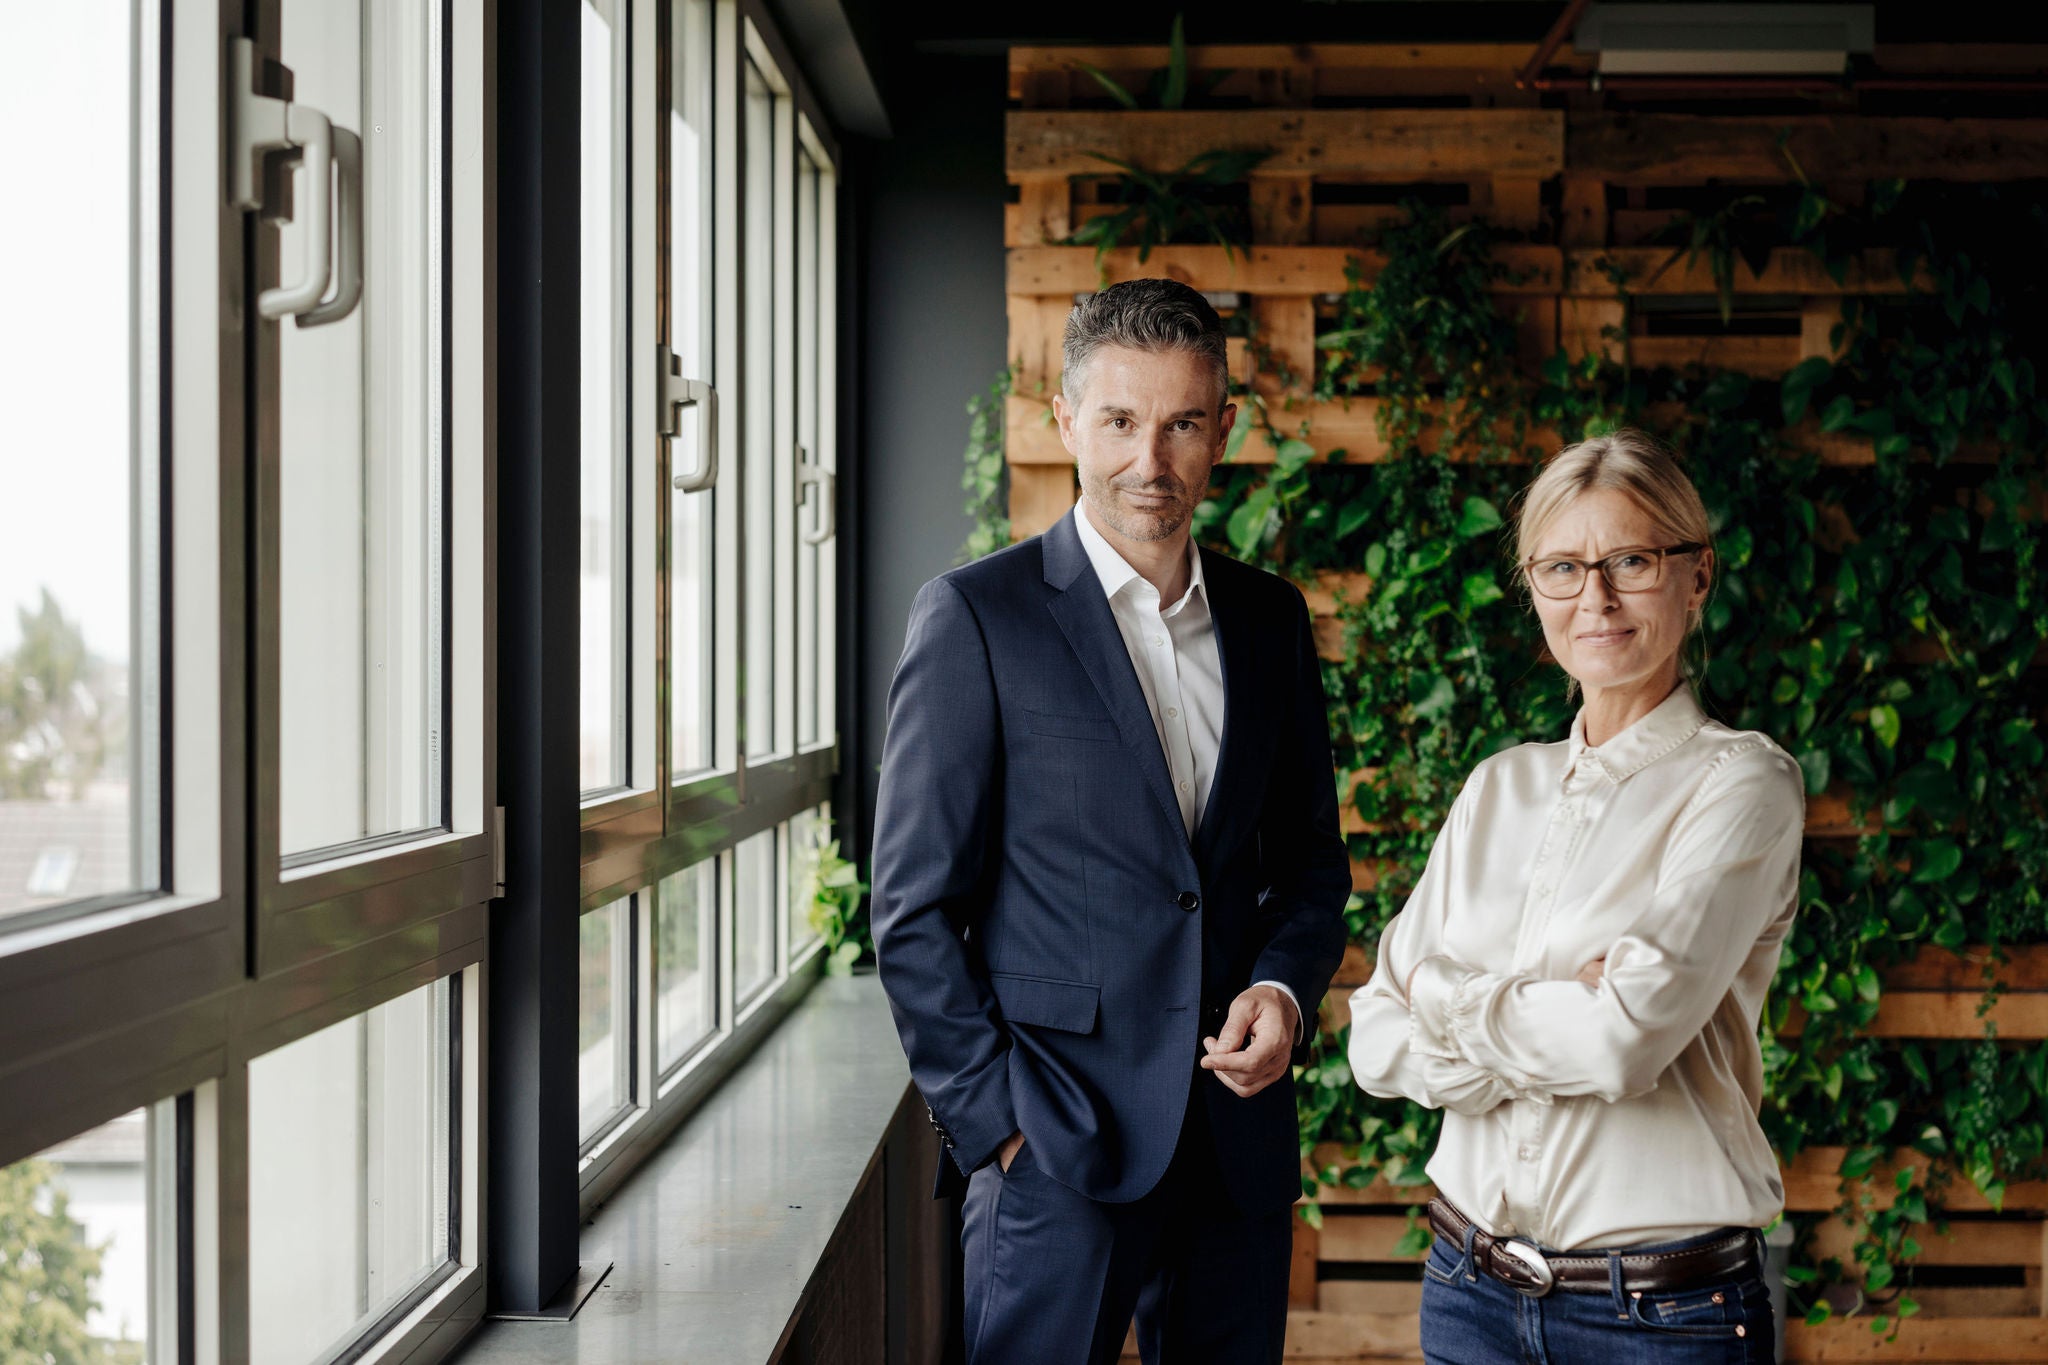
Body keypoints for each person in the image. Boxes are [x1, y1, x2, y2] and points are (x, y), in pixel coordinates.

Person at [871, 278, 1350, 1364]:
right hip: (1055, 1146)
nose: (1152, 461)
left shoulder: (1269, 622)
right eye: (1121, 422)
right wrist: (996, 1124)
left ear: (1221, 427)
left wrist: (1279, 991)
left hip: (1232, 1146)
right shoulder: (976, 617)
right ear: (1065, 419)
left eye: (1182, 423)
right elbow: (908, 911)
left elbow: (1309, 872)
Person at [1347, 428, 1803, 1362]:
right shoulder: (1497, 787)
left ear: (1696, 575)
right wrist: (1562, 1011)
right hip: (1468, 1289)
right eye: (1561, 567)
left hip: (1664, 1318)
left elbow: (1623, 1041)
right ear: (1534, 589)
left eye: (1630, 559)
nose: (1593, 597)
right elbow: (1372, 1039)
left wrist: (1445, 996)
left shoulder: (1743, 783)